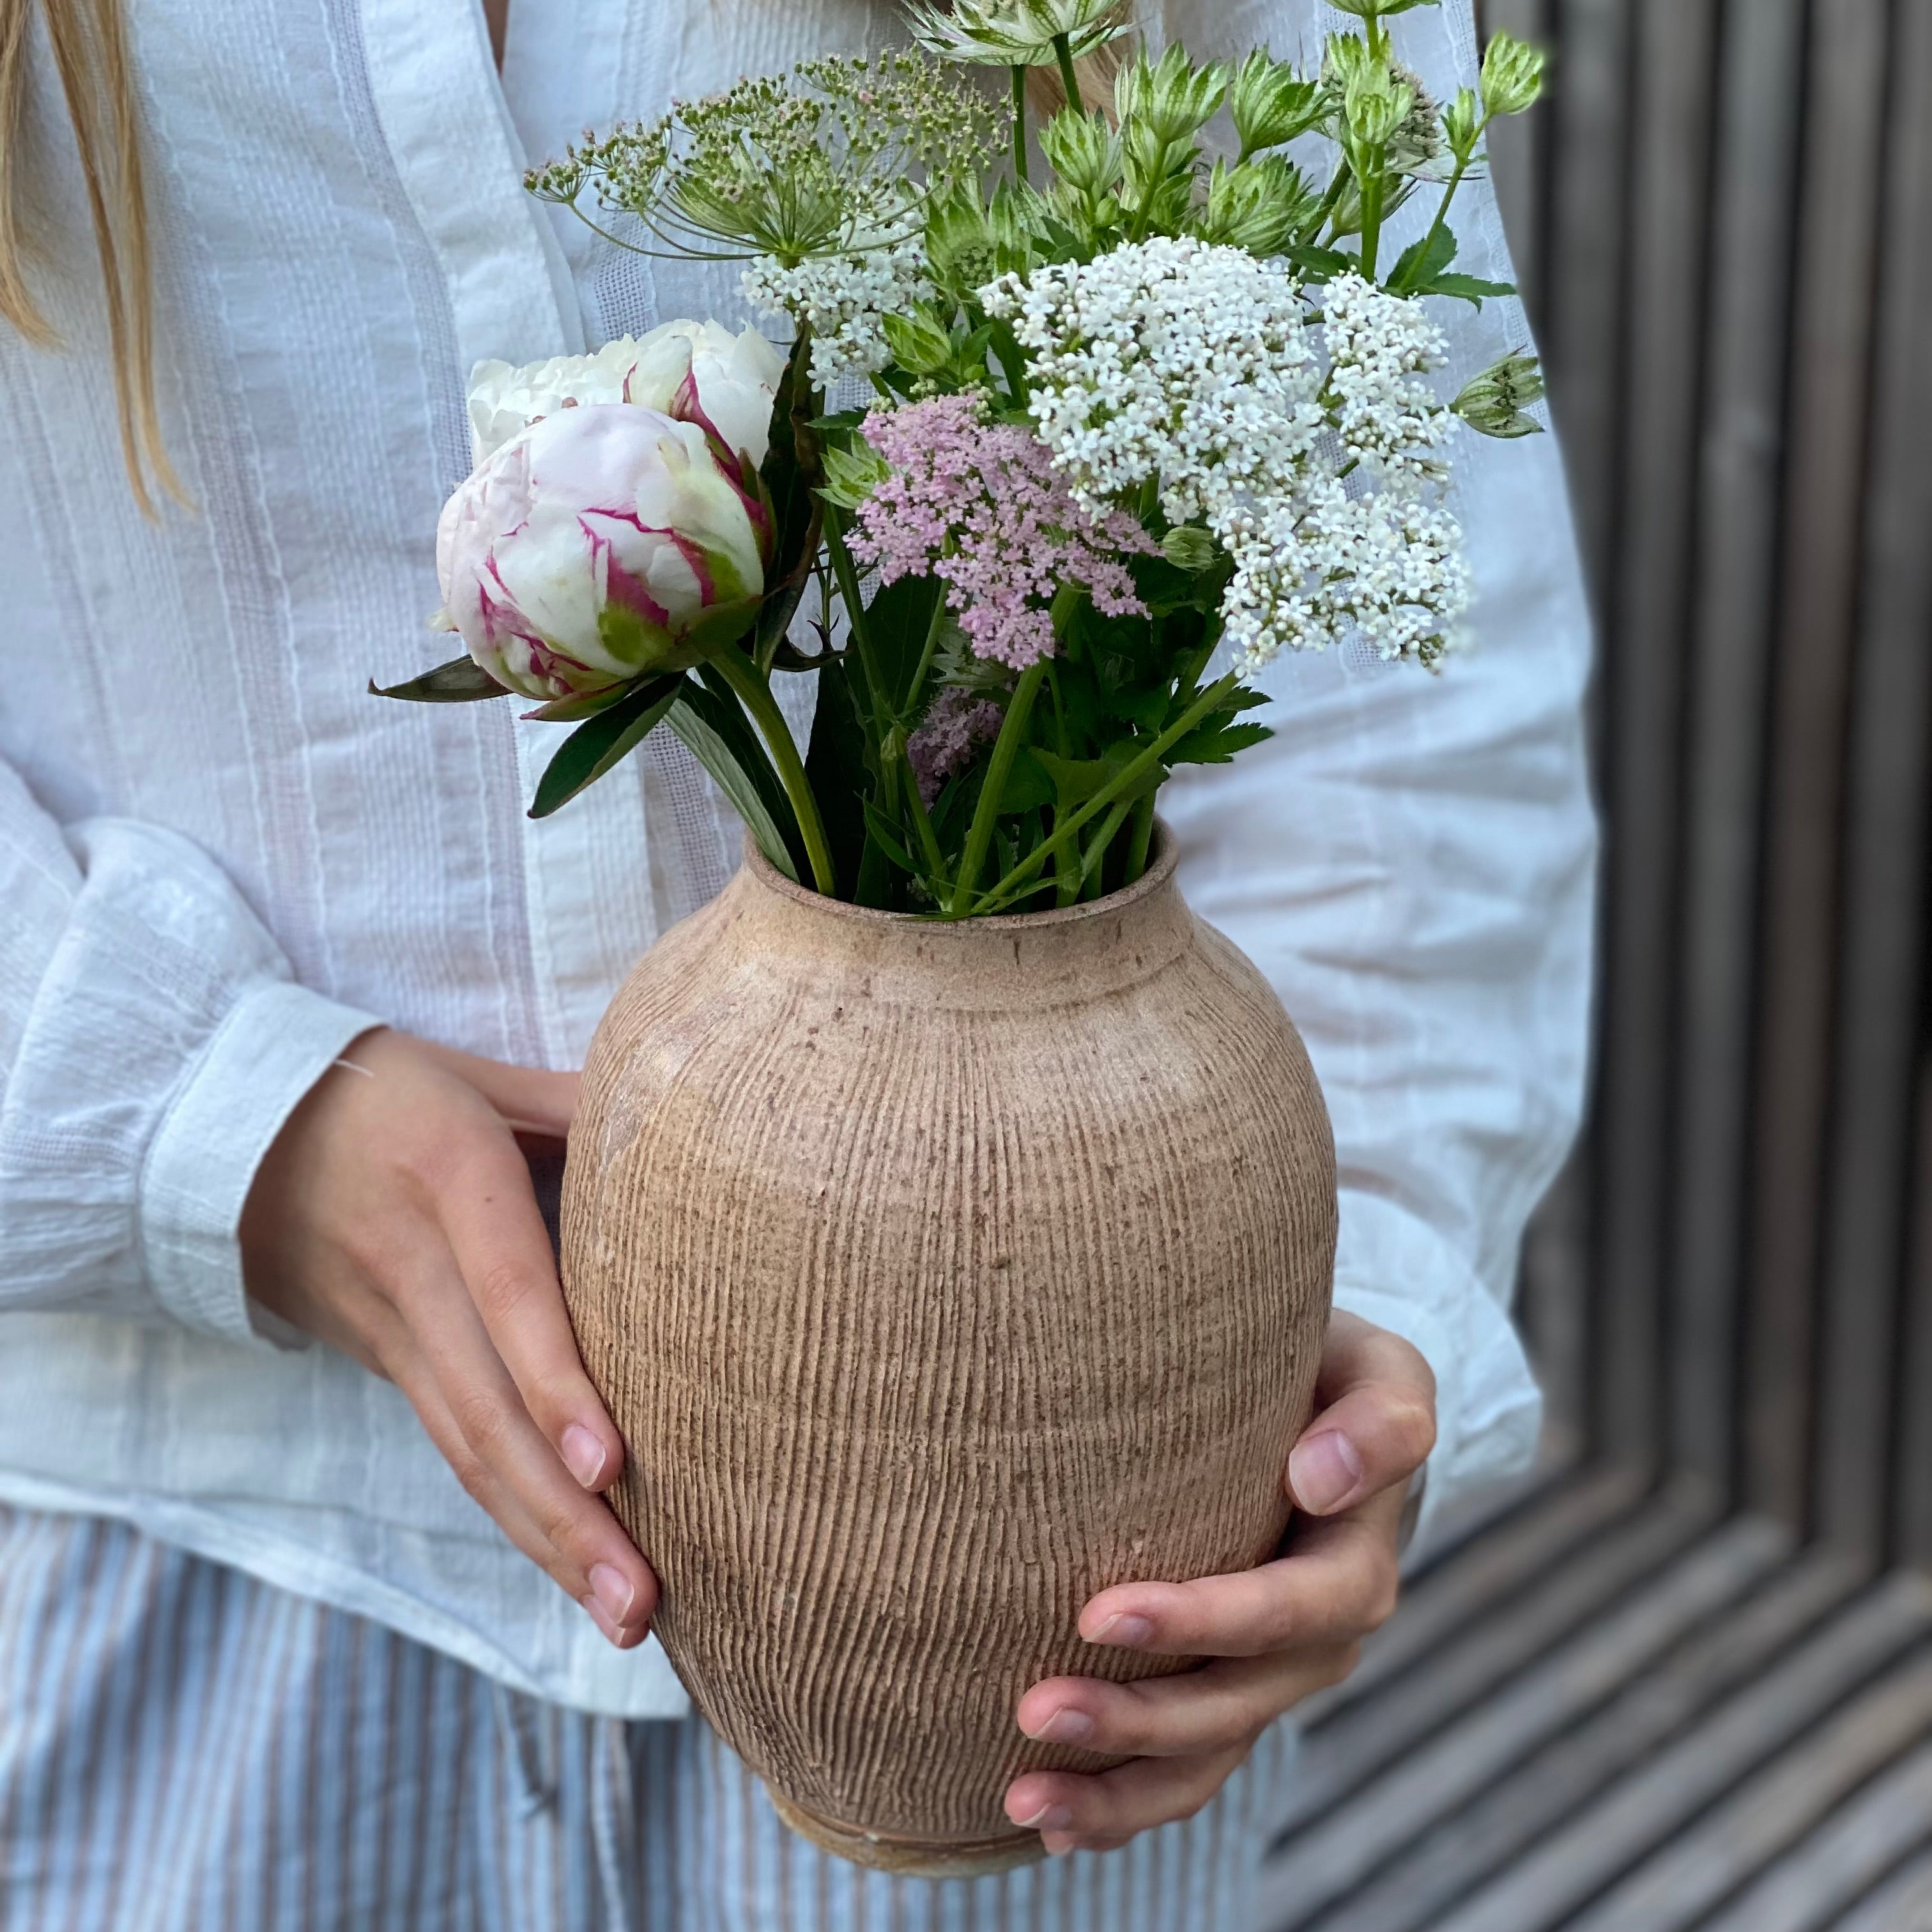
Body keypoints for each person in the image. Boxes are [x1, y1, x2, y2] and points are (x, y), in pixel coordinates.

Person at [0, 0, 1595, 1926]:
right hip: (161, 1531)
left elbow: (1397, 688)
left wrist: (1355, 1344)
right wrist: (213, 1119)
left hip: (1029, 1584)